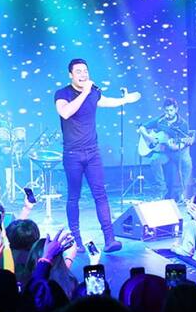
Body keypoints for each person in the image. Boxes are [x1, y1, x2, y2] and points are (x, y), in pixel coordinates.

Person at [54, 58, 141, 253]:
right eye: (78, 71)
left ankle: (109, 239)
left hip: (92, 152)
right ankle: (76, 240)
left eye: (85, 71)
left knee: (100, 194)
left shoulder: (93, 92)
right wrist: (84, 92)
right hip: (73, 154)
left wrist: (124, 100)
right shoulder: (62, 94)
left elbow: (106, 101)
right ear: (70, 75)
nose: (83, 74)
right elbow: (65, 112)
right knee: (74, 197)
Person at [137, 98, 194, 202]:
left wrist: (175, 146)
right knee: (154, 159)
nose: (168, 113)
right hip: (164, 152)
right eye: (166, 110)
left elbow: (184, 143)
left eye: (171, 110)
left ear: (176, 109)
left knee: (187, 163)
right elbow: (142, 128)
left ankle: (179, 193)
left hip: (178, 151)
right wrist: (149, 138)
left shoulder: (182, 123)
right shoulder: (160, 120)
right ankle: (161, 190)